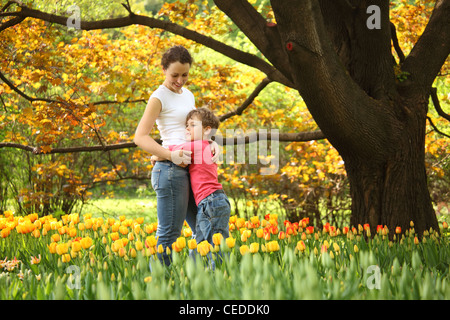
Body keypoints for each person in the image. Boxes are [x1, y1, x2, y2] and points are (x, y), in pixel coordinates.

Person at [133, 45, 219, 267]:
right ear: (163, 69)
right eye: (174, 75)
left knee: (202, 227)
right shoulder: (159, 97)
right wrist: (169, 155)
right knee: (170, 233)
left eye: (185, 75)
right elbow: (140, 137)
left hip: (192, 170)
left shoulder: (188, 94)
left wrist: (210, 143)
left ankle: (199, 281)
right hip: (171, 173)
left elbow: (194, 129)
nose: (180, 80)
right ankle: (159, 284)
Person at [170, 107, 230, 269]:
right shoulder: (206, 146)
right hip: (215, 200)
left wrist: (155, 155)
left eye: (192, 125)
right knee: (205, 241)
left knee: (214, 245)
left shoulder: (197, 146)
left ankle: (219, 275)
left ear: (206, 130)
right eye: (186, 125)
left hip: (210, 201)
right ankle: (197, 274)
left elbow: (172, 150)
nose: (187, 128)